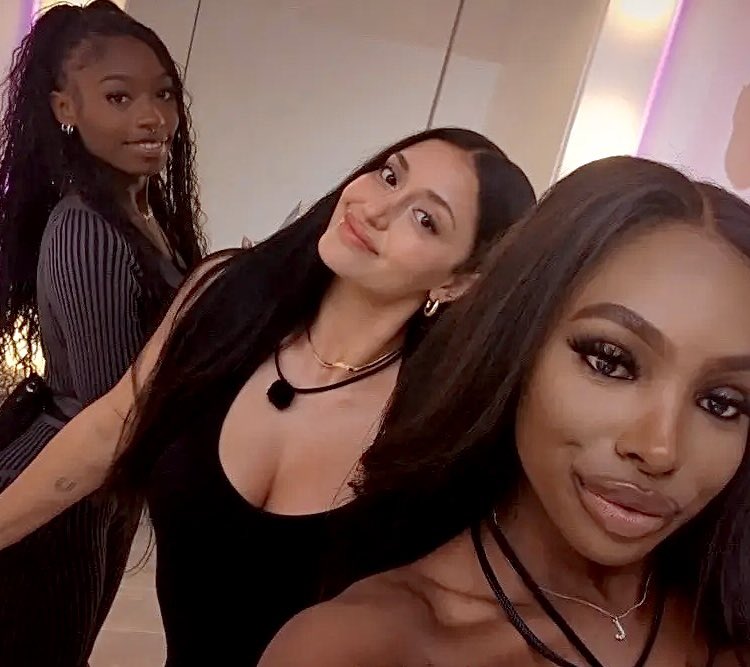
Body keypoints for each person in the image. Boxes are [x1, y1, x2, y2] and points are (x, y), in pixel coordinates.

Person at [0, 126, 535, 665]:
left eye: (425, 219)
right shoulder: (227, 296)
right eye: (389, 176)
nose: (375, 209)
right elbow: (110, 427)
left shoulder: (441, 431)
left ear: (458, 282)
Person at [259, 156, 750, 667]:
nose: (660, 449)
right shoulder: (363, 649)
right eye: (610, 361)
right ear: (518, 343)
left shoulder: (726, 621)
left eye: (722, 403)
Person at [0, 2, 204, 665]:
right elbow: (109, 408)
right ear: (66, 108)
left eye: (163, 94)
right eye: (119, 97)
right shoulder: (88, 227)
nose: (152, 118)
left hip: (94, 490)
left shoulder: (140, 215)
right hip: (61, 487)